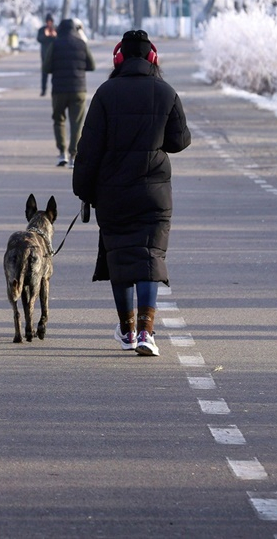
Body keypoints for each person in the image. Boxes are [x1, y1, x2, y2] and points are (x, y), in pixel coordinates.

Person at [72, 30, 190, 357]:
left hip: (113, 193)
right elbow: (179, 141)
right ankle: (146, 334)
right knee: (150, 257)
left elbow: (88, 149)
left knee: (121, 258)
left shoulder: (106, 94)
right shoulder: (166, 92)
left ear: (118, 59)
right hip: (155, 196)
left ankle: (126, 330)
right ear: (153, 58)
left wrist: (83, 190)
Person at [44, 18, 94, 167]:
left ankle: (62, 153)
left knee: (59, 119)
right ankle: (73, 155)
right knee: (76, 123)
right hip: (78, 89)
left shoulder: (55, 44)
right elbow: (92, 65)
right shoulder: (81, 44)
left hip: (59, 90)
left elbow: (46, 68)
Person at [35, 13, 56, 96]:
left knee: (55, 75)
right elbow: (39, 39)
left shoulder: (56, 29)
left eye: (50, 21)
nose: (49, 23)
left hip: (54, 55)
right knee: (44, 73)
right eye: (48, 21)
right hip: (45, 54)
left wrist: (54, 35)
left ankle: (54, 90)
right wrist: (45, 35)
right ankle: (43, 90)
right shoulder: (42, 30)